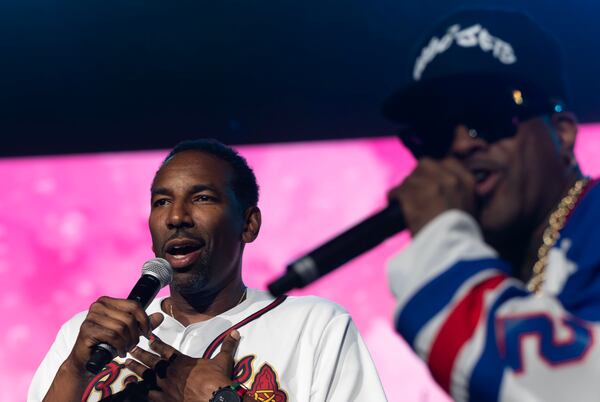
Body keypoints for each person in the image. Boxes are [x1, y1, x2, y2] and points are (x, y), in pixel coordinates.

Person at [28, 139, 386, 402]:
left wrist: (221, 398)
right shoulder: (85, 337)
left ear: (248, 224)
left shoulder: (315, 327)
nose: (176, 217)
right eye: (162, 202)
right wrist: (74, 371)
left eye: (202, 198)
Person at [383, 8, 600, 402]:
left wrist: (439, 248)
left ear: (563, 134)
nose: (462, 144)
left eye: (489, 113)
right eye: (434, 131)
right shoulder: (499, 271)